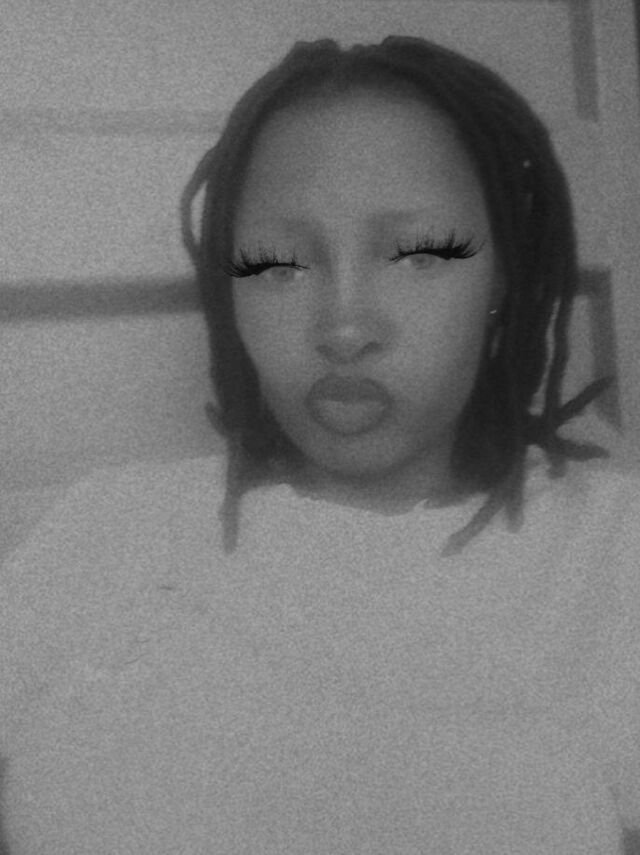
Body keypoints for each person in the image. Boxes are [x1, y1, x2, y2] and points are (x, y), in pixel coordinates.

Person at [1, 35, 639, 854]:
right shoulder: (104, 531)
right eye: (278, 263)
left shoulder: (609, 558)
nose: (343, 326)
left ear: (503, 278)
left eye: (419, 255)